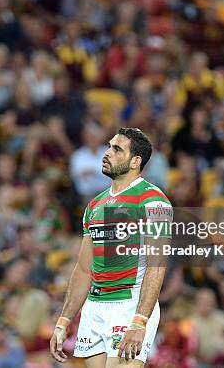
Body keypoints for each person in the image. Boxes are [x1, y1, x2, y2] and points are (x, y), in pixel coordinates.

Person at [50, 127, 172, 367]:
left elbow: (156, 267)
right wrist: (63, 321)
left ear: (136, 161)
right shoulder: (94, 205)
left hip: (129, 304)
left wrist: (139, 322)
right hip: (95, 307)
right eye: (109, 146)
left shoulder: (153, 201)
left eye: (117, 149)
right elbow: (84, 269)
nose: (107, 153)